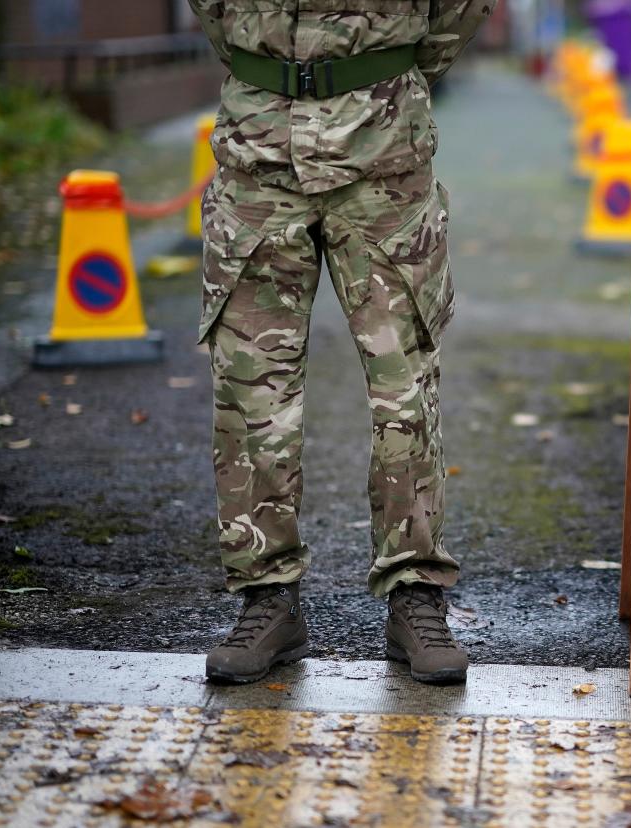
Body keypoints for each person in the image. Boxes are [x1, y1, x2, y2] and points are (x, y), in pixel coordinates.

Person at [188, 0, 492, 685]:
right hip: (258, 150)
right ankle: (267, 598)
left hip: (383, 151)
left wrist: (376, 69)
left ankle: (415, 593)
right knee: (249, 387)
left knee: (404, 387)